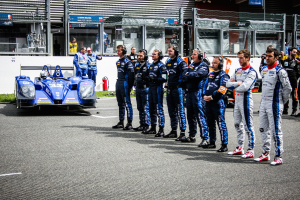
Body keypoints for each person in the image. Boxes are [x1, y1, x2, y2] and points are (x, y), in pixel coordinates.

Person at [255, 48, 292, 166]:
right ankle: (266, 153)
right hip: (264, 102)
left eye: (270, 56)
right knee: (263, 128)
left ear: (276, 57)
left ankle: (278, 155)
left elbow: (288, 88)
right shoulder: (264, 69)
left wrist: (282, 101)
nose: (267, 58)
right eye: (266, 56)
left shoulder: (280, 71)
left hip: (275, 103)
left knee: (276, 130)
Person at [226, 49, 257, 158]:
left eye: (241, 58)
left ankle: (251, 149)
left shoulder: (252, 72)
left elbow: (245, 87)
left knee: (248, 125)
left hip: (246, 100)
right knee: (237, 124)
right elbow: (227, 84)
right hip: (237, 100)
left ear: (248, 58)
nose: (239, 60)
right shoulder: (237, 70)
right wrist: (237, 83)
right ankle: (240, 147)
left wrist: (235, 85)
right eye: (238, 57)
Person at [201, 56, 230, 152]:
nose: (213, 64)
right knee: (210, 123)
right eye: (212, 63)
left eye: (215, 63)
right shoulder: (211, 74)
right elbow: (205, 86)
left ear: (220, 64)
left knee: (221, 123)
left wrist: (212, 96)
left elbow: (223, 89)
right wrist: (204, 95)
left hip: (218, 102)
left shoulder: (224, 75)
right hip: (208, 102)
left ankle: (224, 144)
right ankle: (212, 142)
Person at [182, 49, 209, 145]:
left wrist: (189, 74)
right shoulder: (191, 65)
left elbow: (199, 75)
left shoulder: (203, 66)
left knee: (200, 116)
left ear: (200, 56)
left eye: (194, 54)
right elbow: (184, 76)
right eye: (192, 54)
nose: (192, 56)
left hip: (197, 93)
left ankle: (205, 138)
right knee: (190, 115)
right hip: (189, 93)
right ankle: (192, 135)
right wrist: (189, 75)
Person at [163, 44, 187, 140]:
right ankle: (173, 131)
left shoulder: (181, 62)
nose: (169, 53)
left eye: (171, 51)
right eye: (168, 51)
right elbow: (165, 74)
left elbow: (185, 75)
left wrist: (182, 86)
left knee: (180, 110)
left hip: (178, 89)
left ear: (176, 51)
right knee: (171, 111)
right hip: (170, 89)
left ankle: (182, 132)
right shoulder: (168, 62)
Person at [142, 49, 168, 136]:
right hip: (151, 88)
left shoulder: (162, 66)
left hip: (158, 88)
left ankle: (161, 129)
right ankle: (153, 127)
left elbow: (165, 78)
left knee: (158, 109)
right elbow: (146, 75)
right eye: (152, 54)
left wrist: (155, 79)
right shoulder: (151, 65)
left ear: (159, 55)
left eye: (155, 54)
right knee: (151, 108)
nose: (152, 55)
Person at [112, 45, 135, 130]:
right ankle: (121, 121)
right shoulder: (118, 62)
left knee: (127, 103)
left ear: (123, 51)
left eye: (119, 51)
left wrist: (130, 86)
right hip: (119, 82)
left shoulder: (128, 62)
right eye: (117, 51)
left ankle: (129, 122)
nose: (118, 52)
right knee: (120, 103)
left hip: (125, 83)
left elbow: (131, 75)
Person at [133, 49, 150, 132]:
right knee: (140, 108)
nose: (139, 57)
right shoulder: (137, 65)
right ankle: (141, 124)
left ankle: (147, 125)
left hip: (145, 88)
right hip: (138, 88)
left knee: (146, 107)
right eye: (138, 56)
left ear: (145, 56)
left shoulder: (148, 66)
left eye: (141, 56)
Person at [283, 47, 299, 116]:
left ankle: (294, 110)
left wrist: (296, 78)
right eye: (294, 52)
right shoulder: (286, 60)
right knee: (286, 93)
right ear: (290, 52)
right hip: (287, 79)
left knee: (294, 95)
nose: (295, 53)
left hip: (294, 80)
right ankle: (285, 109)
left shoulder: (297, 61)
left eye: (296, 52)